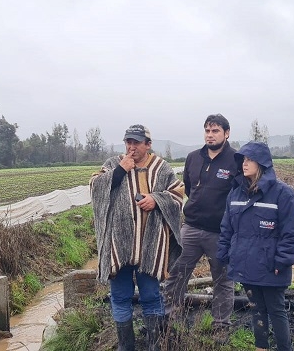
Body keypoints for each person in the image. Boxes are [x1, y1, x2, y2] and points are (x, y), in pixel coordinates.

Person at [90, 124, 185, 351]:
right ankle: (126, 347)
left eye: (136, 143)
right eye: (128, 142)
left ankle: (154, 346)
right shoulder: (114, 164)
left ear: (148, 144)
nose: (131, 147)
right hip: (119, 245)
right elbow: (95, 187)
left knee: (151, 297)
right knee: (120, 297)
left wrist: (156, 200)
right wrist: (120, 171)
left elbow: (178, 194)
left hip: (150, 246)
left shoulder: (161, 168)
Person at [217, 141, 294, 351]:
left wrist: (282, 260)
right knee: (256, 308)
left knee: (276, 310)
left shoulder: (283, 194)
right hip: (245, 263)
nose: (244, 164)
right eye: (242, 160)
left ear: (262, 163)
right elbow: (227, 228)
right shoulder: (236, 193)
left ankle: (285, 348)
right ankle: (261, 347)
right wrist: (224, 254)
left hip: (270, 265)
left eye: (249, 160)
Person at [163, 114, 237, 337]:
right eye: (207, 130)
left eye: (215, 131)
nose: (210, 135)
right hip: (191, 228)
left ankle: (221, 326)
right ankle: (170, 316)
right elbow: (187, 187)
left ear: (226, 133)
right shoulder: (193, 157)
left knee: (223, 280)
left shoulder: (236, 160)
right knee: (176, 272)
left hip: (220, 232)